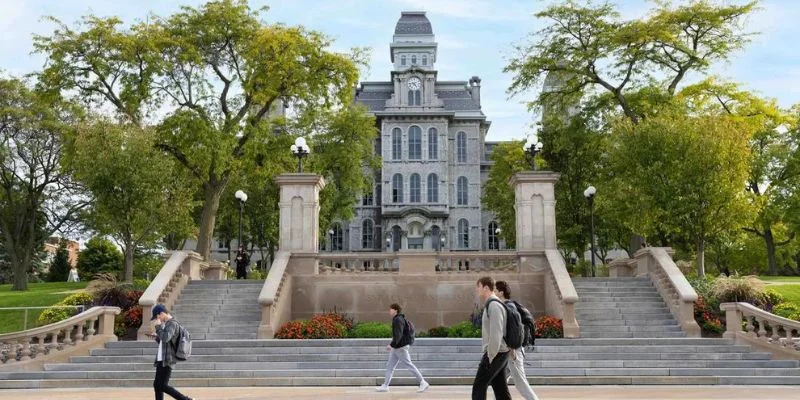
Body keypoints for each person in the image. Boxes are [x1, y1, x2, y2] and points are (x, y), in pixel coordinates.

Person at [495, 281, 540, 400]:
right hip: (508, 350)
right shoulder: (503, 306)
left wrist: (512, 347)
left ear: (501, 292)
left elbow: (514, 327)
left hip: (512, 350)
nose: (492, 292)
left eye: (495, 290)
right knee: (500, 382)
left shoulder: (508, 306)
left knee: (521, 383)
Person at [472, 276, 511, 400]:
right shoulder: (492, 304)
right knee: (500, 389)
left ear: (486, 288)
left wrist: (490, 356)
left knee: (479, 386)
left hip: (496, 353)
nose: (477, 290)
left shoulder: (494, 305)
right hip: (500, 352)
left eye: (478, 287)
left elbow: (496, 333)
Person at [376, 303, 430, 393]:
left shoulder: (398, 320)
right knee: (390, 366)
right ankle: (385, 385)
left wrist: (391, 345)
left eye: (391, 309)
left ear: (396, 310)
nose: (389, 311)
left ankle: (423, 382)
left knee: (409, 365)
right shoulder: (399, 319)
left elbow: (398, 334)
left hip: (401, 347)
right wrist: (393, 346)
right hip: (397, 347)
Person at [148, 304, 194, 400]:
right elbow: (165, 342)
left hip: (167, 359)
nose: (158, 319)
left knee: (162, 385)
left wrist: (158, 327)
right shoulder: (167, 324)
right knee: (157, 385)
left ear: (162, 313)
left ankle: (185, 399)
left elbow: (165, 338)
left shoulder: (172, 323)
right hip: (162, 358)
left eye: (157, 317)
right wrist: (156, 337)